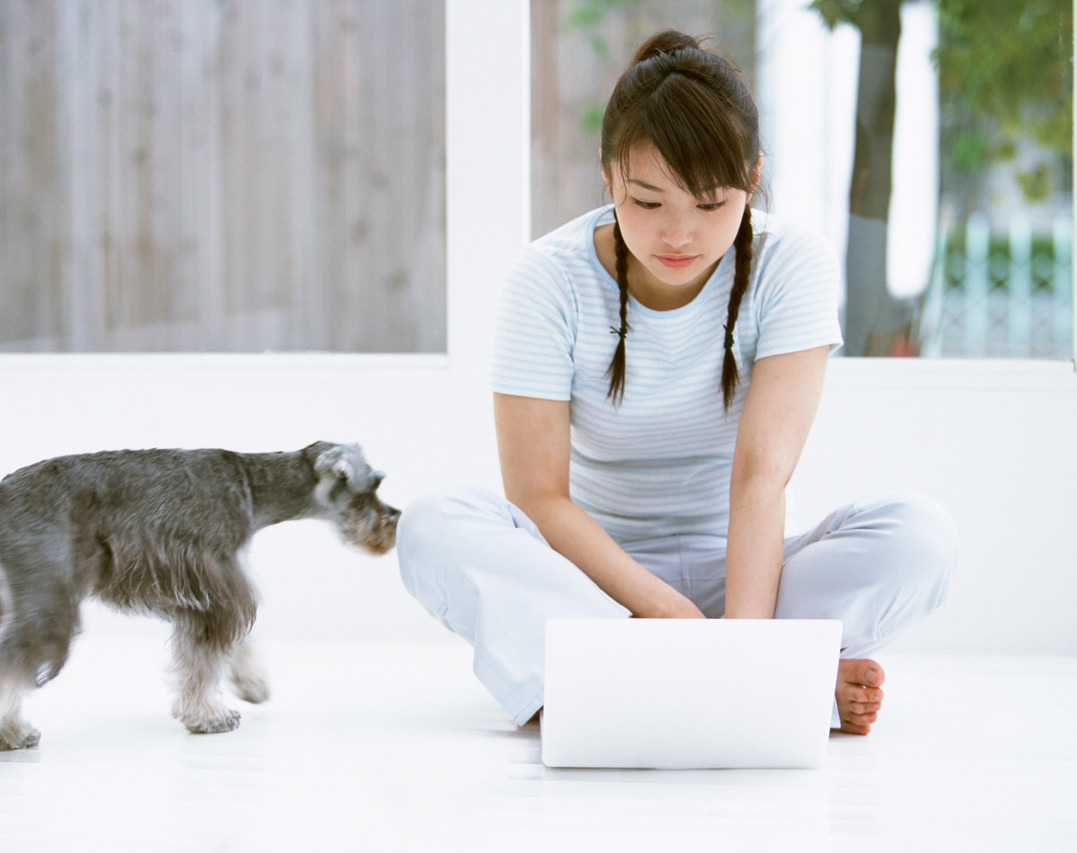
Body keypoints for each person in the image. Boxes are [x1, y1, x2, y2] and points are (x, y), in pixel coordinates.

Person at [395, 30, 957, 735]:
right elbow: (538, 496)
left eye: (712, 203)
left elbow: (761, 476)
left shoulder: (794, 265)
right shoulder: (545, 279)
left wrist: (742, 646)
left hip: (751, 578)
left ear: (753, 176)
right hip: (597, 585)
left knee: (920, 536)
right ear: (607, 175)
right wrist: (661, 612)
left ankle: (631, 686)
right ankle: (779, 683)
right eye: (649, 202)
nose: (679, 235)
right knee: (431, 524)